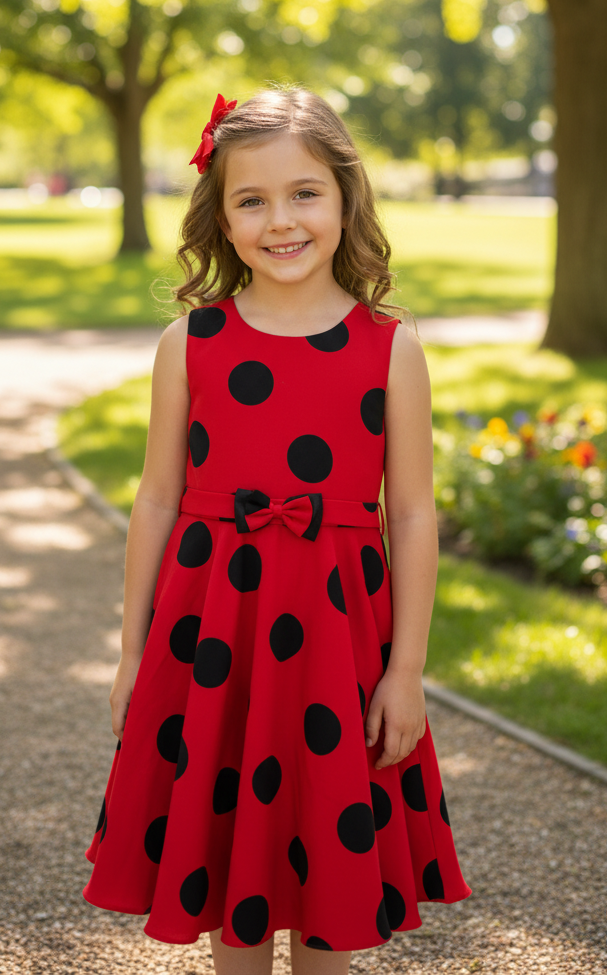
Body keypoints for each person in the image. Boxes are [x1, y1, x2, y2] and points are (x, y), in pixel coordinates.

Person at [83, 87, 470, 971]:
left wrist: (405, 670)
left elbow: (409, 513)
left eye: (304, 194)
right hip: (213, 633)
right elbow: (155, 498)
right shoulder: (193, 343)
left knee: (329, 846)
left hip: (339, 641)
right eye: (250, 200)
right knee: (229, 848)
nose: (280, 220)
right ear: (219, 218)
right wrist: (131, 650)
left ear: (345, 199)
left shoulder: (387, 346)